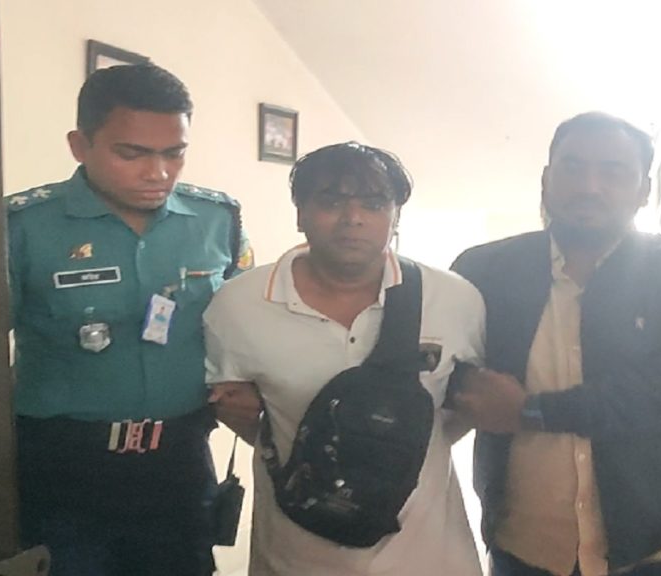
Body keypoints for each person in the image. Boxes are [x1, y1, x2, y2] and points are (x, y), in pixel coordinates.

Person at [450, 111, 661, 576]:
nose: (590, 186)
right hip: (524, 551)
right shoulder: (484, 271)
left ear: (644, 190)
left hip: (659, 551)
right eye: (573, 167)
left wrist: (533, 412)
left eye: (613, 171)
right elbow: (449, 375)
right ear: (546, 180)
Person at [7, 63, 252, 576]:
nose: (158, 172)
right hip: (63, 469)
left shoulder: (216, 221)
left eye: (174, 152)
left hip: (179, 464)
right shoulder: (22, 227)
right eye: (132, 153)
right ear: (80, 145)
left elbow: (246, 326)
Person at [203, 142, 484, 576]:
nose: (353, 218)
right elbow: (240, 413)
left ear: (395, 216)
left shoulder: (454, 299)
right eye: (331, 202)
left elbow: (461, 411)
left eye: (374, 203)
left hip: (429, 556)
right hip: (294, 558)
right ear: (300, 213)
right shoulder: (239, 305)